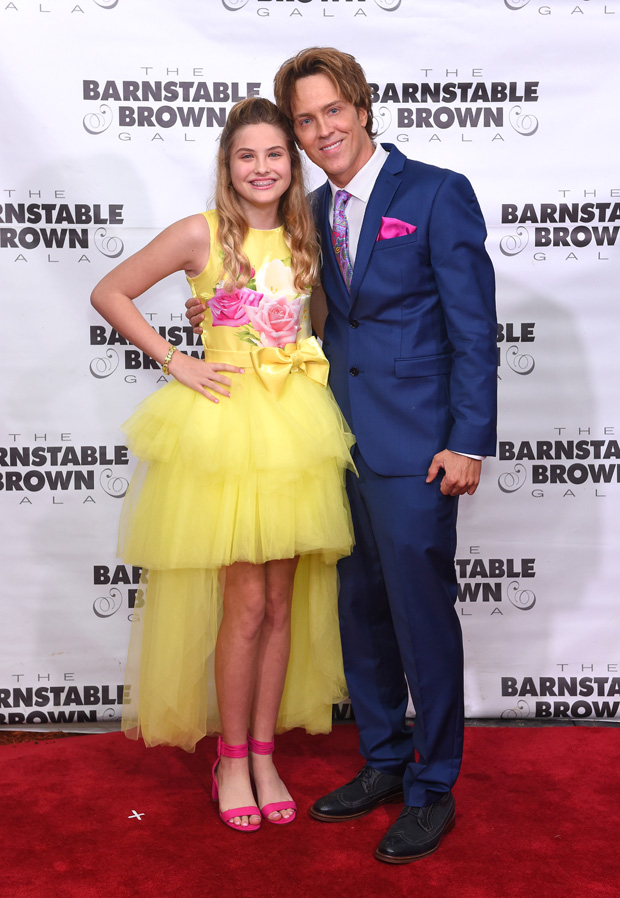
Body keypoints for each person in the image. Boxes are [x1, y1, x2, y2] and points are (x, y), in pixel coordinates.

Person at [188, 47, 497, 863]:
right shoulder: (308, 212)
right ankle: (384, 763)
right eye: (304, 120)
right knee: (359, 615)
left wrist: (468, 439)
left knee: (421, 618)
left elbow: (473, 329)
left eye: (332, 111)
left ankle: (433, 787)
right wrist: (210, 314)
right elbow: (293, 308)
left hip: (419, 447)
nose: (321, 130)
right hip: (332, 443)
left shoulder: (436, 192)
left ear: (361, 105)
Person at [91, 97, 355, 834]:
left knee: (280, 606)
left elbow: (322, 324)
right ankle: (231, 759)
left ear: (292, 163)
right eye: (248, 155)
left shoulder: (310, 238)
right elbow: (110, 291)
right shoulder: (199, 235)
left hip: (296, 435)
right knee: (242, 607)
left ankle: (266, 753)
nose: (263, 167)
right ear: (227, 165)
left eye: (276, 154)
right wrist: (177, 360)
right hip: (229, 436)